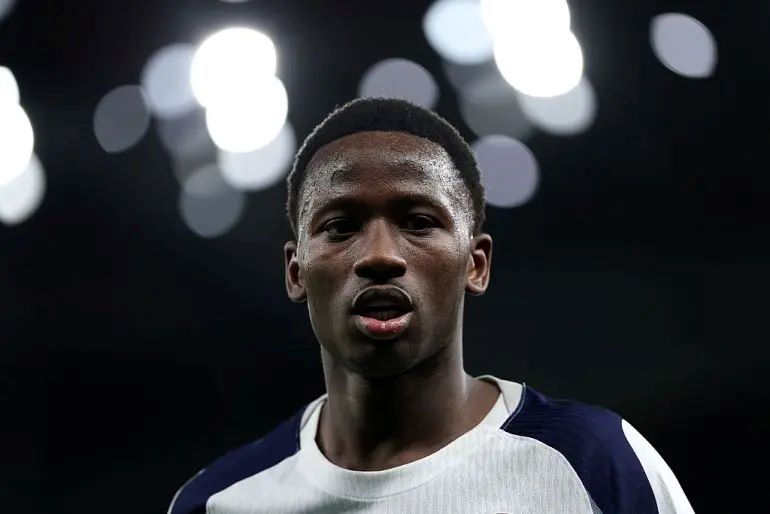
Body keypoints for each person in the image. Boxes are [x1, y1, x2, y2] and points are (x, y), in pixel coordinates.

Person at [168, 98, 694, 514]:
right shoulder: (217, 501)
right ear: (296, 271)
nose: (379, 256)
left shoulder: (596, 463)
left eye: (419, 222)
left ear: (476, 264)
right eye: (340, 227)